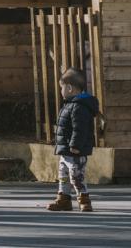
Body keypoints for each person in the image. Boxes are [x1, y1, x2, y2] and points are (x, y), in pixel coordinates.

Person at [47, 68, 99, 212]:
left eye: (61, 88)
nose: (61, 92)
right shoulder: (70, 105)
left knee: (77, 176)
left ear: (69, 88)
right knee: (63, 176)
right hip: (66, 151)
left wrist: (75, 145)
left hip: (75, 150)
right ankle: (64, 199)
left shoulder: (79, 107)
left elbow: (80, 129)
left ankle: (84, 199)